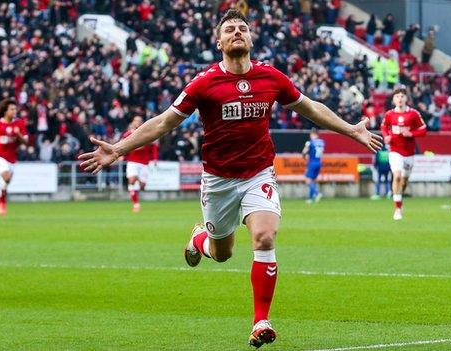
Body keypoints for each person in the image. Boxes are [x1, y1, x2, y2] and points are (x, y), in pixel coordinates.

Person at [78, 9, 382, 348]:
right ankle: (199, 241)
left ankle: (260, 321)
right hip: (218, 181)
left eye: (242, 28)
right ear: (219, 41)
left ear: (251, 39)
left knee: (265, 237)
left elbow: (309, 107)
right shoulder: (204, 83)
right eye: (230, 29)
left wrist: (351, 129)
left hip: (258, 173)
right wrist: (118, 149)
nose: (237, 32)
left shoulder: (271, 77)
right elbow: (164, 122)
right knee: (222, 253)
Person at [381, 87, 427, 220]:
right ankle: (397, 209)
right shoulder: (389, 114)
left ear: (406, 98)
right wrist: (386, 136)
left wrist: (411, 133)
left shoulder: (413, 114)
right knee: (397, 176)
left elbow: (423, 130)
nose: (400, 99)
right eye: (397, 97)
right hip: (395, 150)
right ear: (394, 99)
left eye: (402, 96)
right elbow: (384, 126)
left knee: (404, 180)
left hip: (409, 152)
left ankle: (399, 198)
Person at [0, 98, 28, 221]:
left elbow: (26, 141)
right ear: (5, 111)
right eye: (12, 109)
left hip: (12, 159)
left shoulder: (19, 124)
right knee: (6, 176)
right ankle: (3, 201)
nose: (14, 111)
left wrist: (18, 135)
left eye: (15, 109)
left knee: (4, 184)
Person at [122, 116, 158, 213]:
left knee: (142, 186)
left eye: (140, 121)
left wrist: (154, 159)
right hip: (132, 161)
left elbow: (153, 146)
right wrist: (121, 155)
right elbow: (123, 146)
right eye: (136, 121)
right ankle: (136, 204)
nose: (138, 122)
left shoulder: (147, 133)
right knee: (132, 180)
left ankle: (136, 185)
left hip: (144, 163)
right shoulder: (128, 134)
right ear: (133, 122)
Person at [302, 129, 325, 203]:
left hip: (312, 162)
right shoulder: (322, 142)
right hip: (319, 162)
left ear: (313, 134)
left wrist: (304, 156)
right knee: (313, 181)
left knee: (308, 180)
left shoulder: (309, 142)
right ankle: (310, 199)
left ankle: (317, 193)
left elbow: (304, 152)